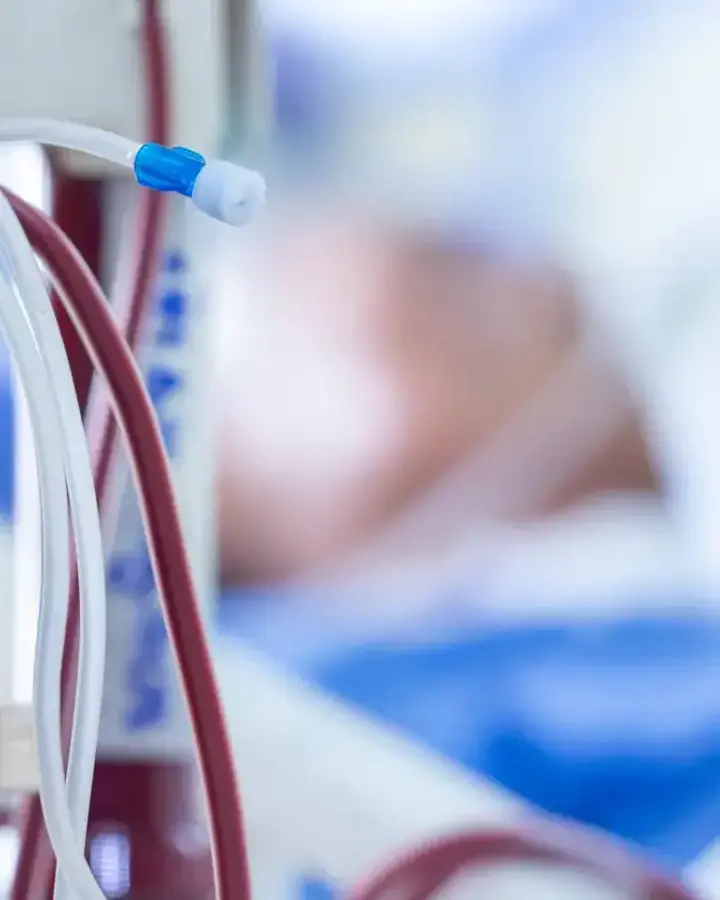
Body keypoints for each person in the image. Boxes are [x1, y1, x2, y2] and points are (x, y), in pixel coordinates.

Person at [214, 0, 720, 872]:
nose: (363, 292)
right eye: (274, 388)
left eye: (269, 301)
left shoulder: (645, 124)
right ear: (360, 569)